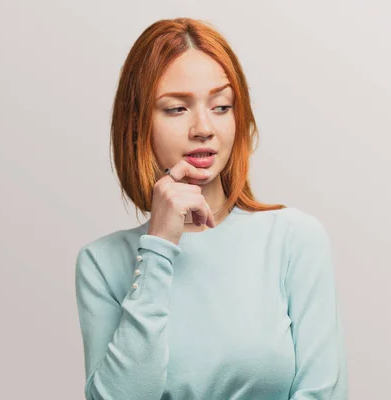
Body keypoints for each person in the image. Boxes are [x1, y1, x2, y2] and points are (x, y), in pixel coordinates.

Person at [74, 17, 348, 400]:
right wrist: (158, 248)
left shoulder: (293, 239)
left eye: (221, 106)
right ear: (138, 124)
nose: (204, 127)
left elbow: (323, 393)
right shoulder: (102, 263)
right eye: (176, 109)